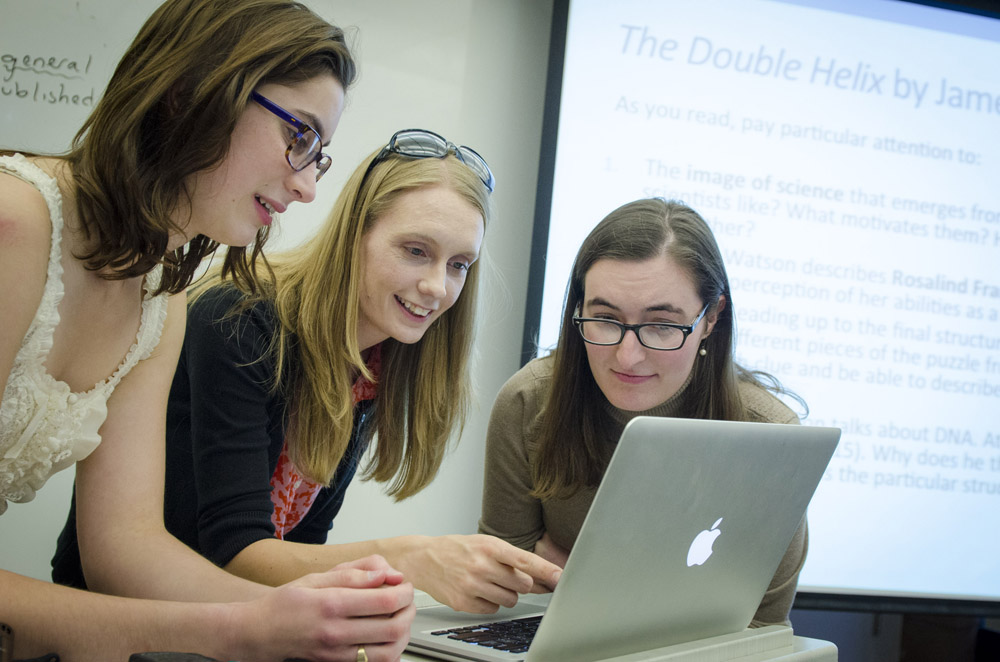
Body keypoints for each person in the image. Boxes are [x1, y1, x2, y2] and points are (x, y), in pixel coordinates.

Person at [0, 1, 414, 660]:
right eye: (298, 136)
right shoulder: (15, 223)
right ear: (192, 92)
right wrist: (245, 627)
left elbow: (124, 550)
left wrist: (310, 615)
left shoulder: (161, 299)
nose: (307, 187)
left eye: (320, 156)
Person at [51, 129, 562, 617]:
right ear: (353, 236)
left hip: (236, 627)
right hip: (131, 623)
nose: (437, 286)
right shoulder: (238, 321)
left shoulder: (377, 361)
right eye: (415, 251)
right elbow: (235, 548)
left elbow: (298, 554)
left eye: (459, 265)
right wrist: (409, 558)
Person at [478, 198, 808, 627]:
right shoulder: (528, 403)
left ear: (711, 319)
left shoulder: (771, 438)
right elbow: (507, 587)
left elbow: (761, 630)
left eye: (662, 325)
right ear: (577, 309)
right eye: (605, 318)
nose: (627, 356)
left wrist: (585, 582)